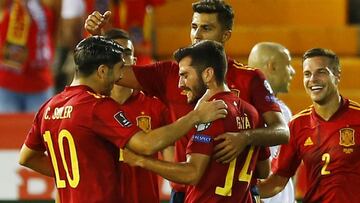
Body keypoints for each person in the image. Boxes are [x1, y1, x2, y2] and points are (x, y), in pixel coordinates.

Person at [85, 1, 289, 202]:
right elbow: (112, 73)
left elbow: (282, 131)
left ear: (225, 35)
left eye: (206, 28)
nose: (197, 34)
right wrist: (98, 41)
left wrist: (244, 138)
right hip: (185, 192)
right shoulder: (169, 73)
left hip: (236, 192)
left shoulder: (250, 78)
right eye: (194, 27)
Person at [18, 36, 227, 202]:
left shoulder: (49, 106)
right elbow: (147, 144)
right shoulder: (97, 106)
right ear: (101, 71)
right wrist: (196, 116)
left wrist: (76, 175)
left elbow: (27, 157)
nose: (119, 79)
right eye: (118, 72)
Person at [124, 40, 270, 203]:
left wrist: (141, 160)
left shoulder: (211, 115)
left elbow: (191, 173)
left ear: (207, 74)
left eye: (185, 75)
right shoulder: (252, 112)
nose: (180, 84)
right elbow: (264, 170)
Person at [257, 48, 360, 202]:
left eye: (321, 72)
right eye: (307, 74)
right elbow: (277, 182)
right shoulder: (297, 124)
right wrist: (243, 189)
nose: (313, 79)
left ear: (337, 75)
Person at [105, 28, 172, 203]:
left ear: (134, 61)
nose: (120, 58)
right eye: (113, 52)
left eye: (125, 53)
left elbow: (174, 167)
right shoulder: (89, 107)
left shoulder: (156, 107)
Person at [248, 42, 296, 203]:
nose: (293, 72)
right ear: (272, 66)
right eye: (288, 65)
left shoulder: (282, 110)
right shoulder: (247, 109)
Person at [0, 0, 61, 113]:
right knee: (7, 129)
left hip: (39, 81)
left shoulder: (48, 4)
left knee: (42, 129)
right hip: (7, 81)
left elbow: (56, 30)